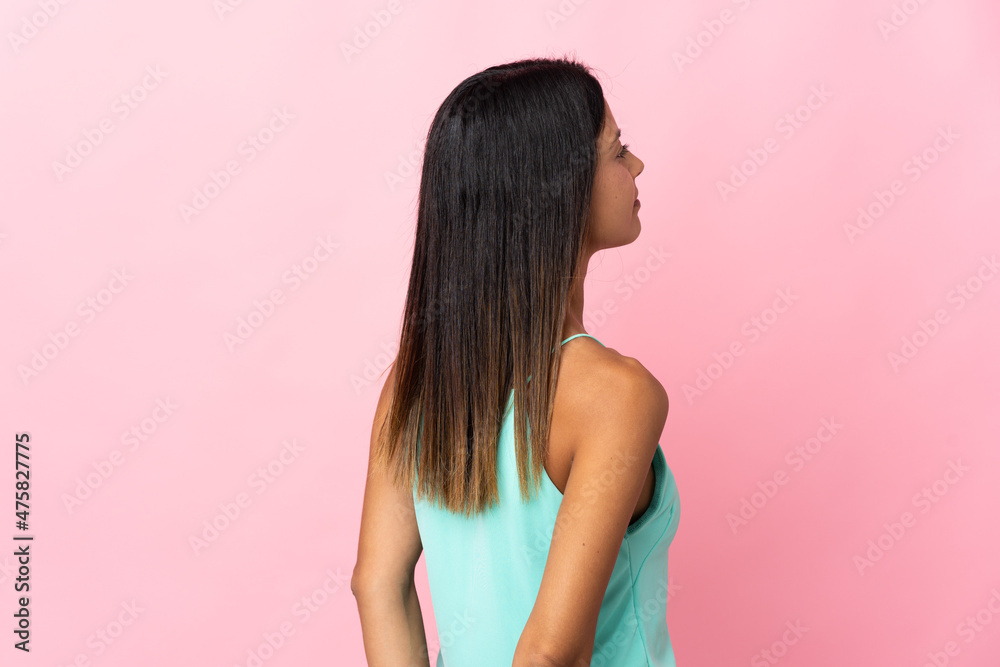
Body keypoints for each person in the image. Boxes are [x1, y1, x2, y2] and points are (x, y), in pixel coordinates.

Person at [352, 55, 680, 667]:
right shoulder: (617, 394)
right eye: (617, 150)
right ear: (559, 186)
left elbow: (378, 584)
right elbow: (550, 653)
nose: (636, 165)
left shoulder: (415, 381)